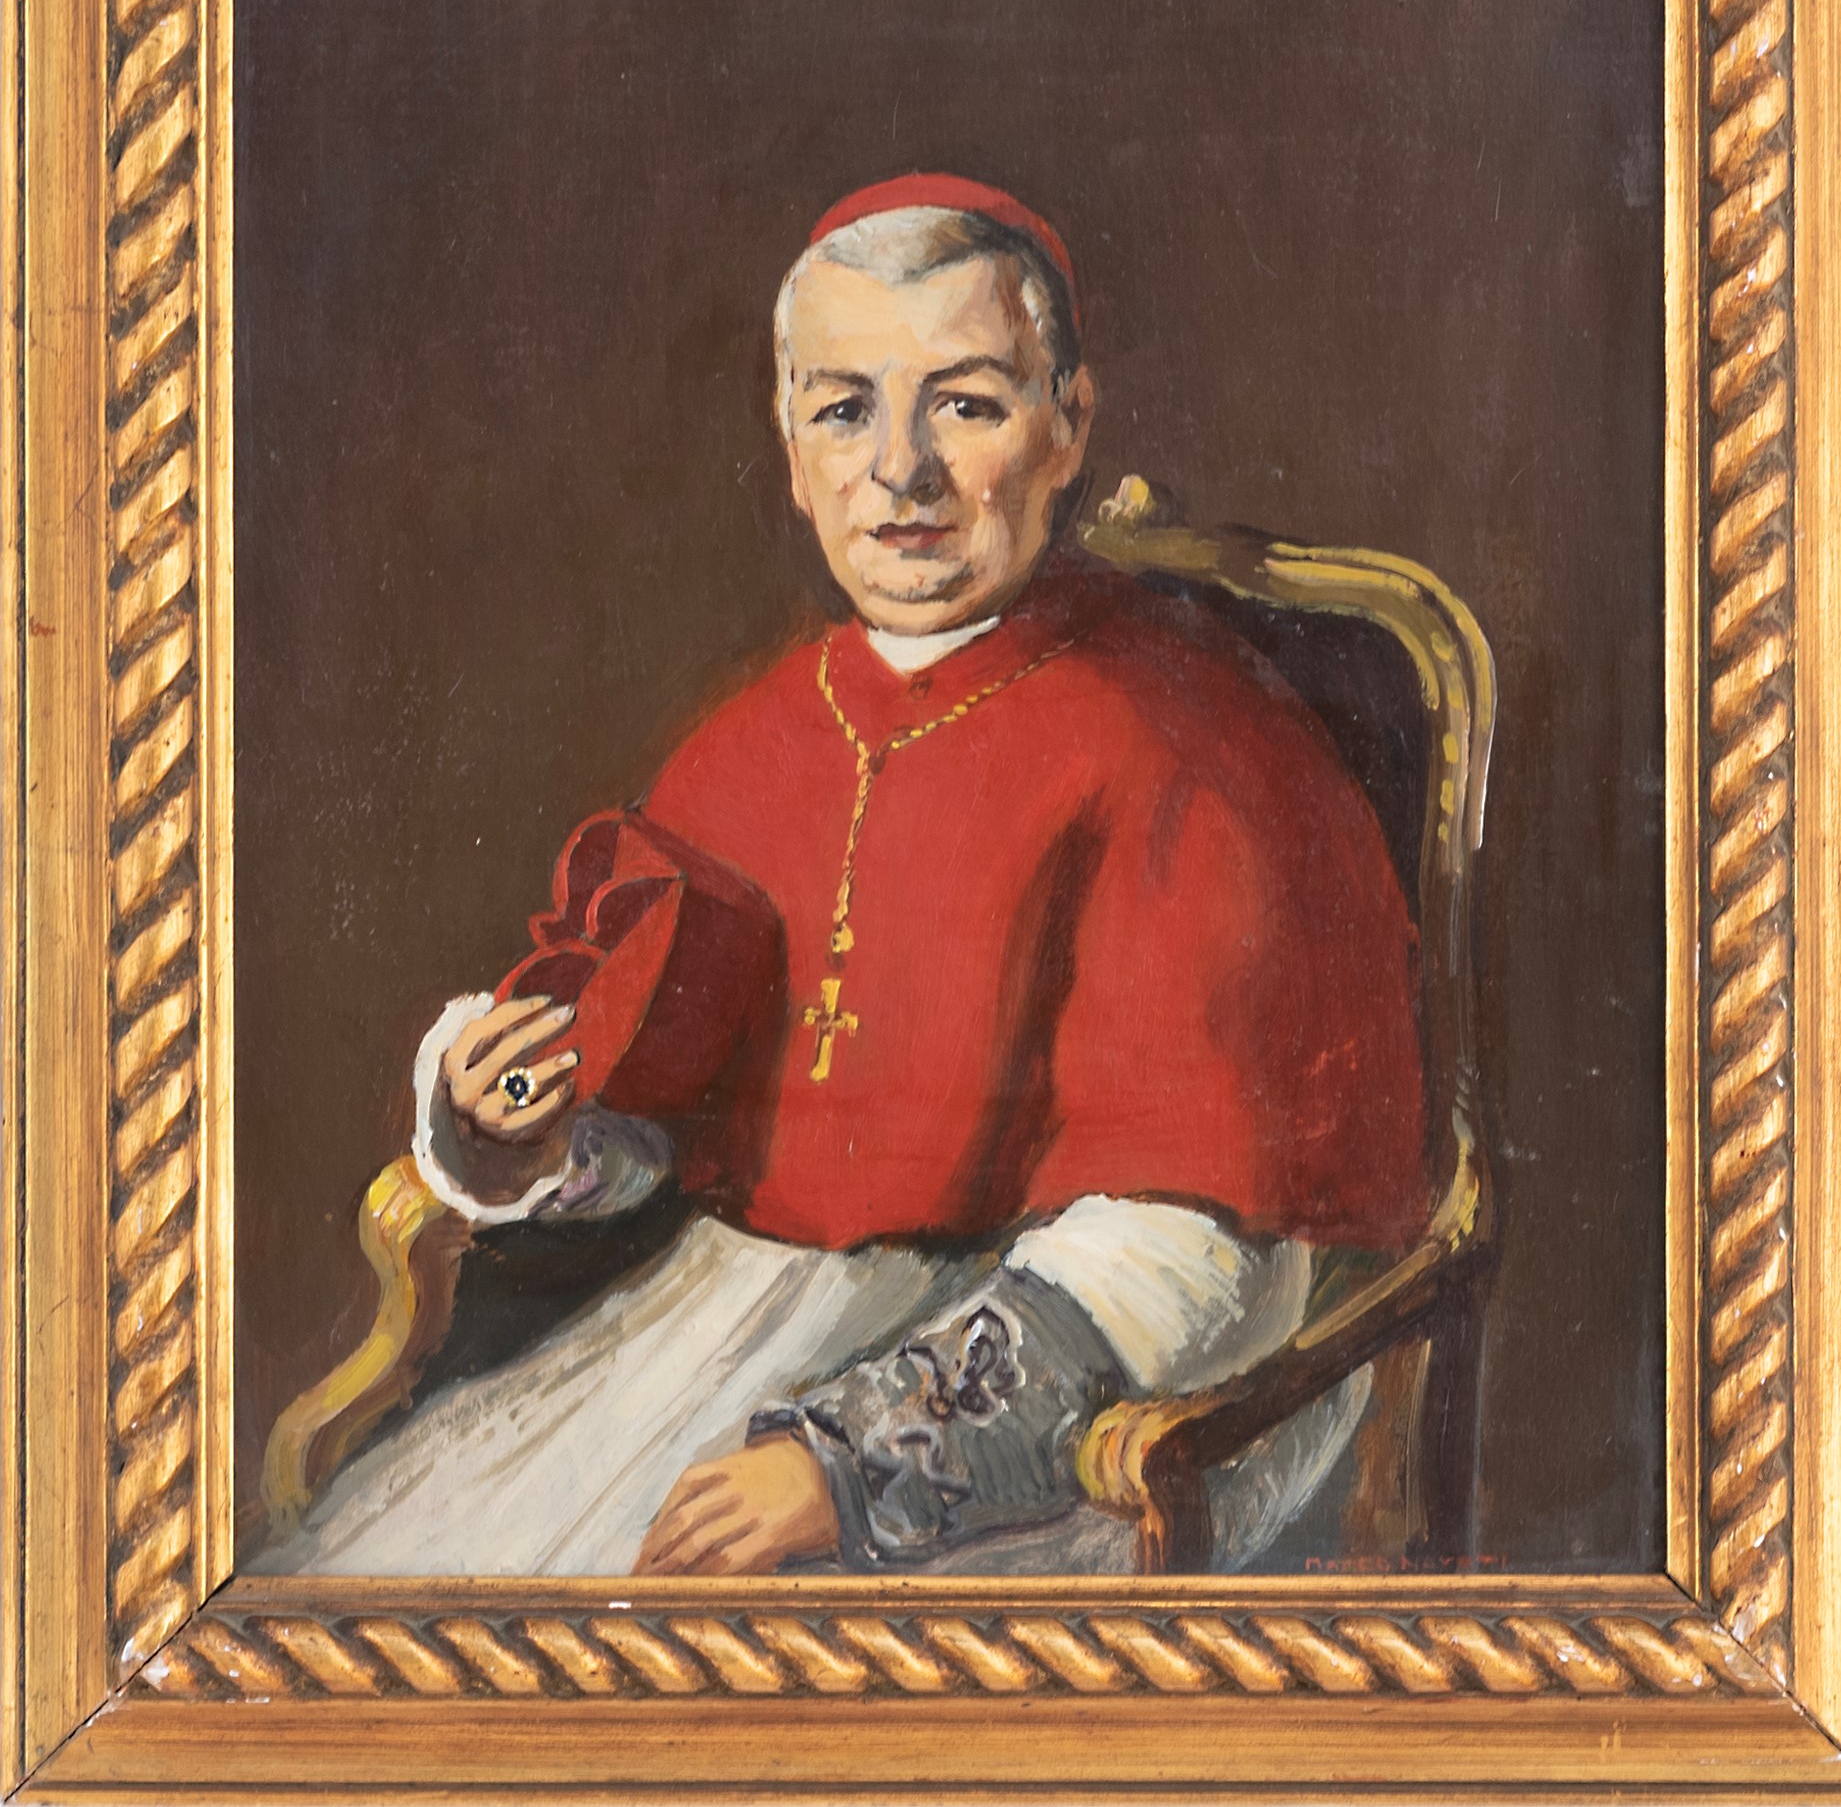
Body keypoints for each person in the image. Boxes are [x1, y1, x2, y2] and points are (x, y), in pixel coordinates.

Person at [259, 173, 1429, 1578]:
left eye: (967, 405)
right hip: (744, 1321)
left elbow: (1195, 1256)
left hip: (1085, 1409)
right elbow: (689, 1124)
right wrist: (531, 1128)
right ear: (791, 446)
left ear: (1067, 426)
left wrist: (849, 1462)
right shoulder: (750, 746)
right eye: (845, 410)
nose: (901, 473)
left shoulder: (1203, 752)